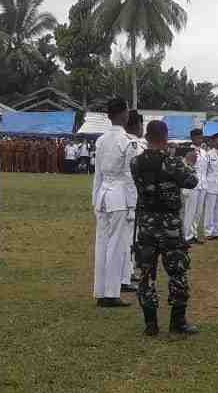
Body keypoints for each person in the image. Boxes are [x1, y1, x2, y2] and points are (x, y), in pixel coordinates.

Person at [131, 120, 200, 336]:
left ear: (147, 136)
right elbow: (191, 181)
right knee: (177, 272)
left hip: (146, 225)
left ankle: (150, 324)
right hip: (170, 226)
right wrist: (188, 162)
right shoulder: (172, 162)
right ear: (165, 136)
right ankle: (177, 322)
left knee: (145, 275)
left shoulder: (136, 162)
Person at [92, 97, 135, 308]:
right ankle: (111, 294)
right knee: (116, 246)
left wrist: (95, 200)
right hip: (119, 197)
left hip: (102, 196)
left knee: (101, 245)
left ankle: (101, 291)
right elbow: (129, 177)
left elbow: (97, 175)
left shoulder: (100, 140)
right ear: (123, 114)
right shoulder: (127, 142)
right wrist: (133, 205)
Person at [123, 111, 146, 291]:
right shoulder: (134, 145)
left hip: (123, 196)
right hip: (132, 197)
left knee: (131, 236)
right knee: (130, 237)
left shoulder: (132, 143)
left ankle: (128, 270)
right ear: (137, 125)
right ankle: (126, 273)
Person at [182, 129, 208, 244]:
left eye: (201, 137)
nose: (200, 139)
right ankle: (187, 236)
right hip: (191, 184)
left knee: (198, 212)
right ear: (192, 138)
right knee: (190, 211)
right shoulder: (188, 150)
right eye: (198, 137)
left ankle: (194, 234)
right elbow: (184, 166)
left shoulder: (203, 152)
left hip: (202, 184)